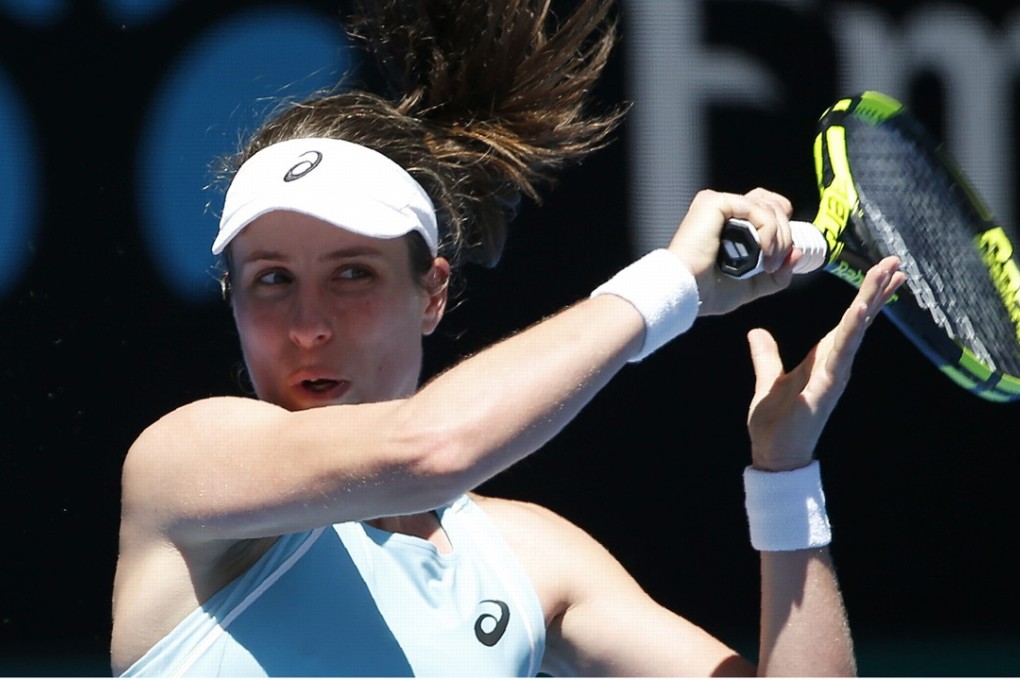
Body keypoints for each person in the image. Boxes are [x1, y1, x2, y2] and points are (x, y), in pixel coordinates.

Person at [110, 0, 905, 676]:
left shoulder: (531, 559)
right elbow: (427, 451)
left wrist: (785, 475)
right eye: (272, 280)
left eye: (353, 274)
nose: (310, 323)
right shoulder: (186, 466)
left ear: (433, 293)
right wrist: (667, 284)